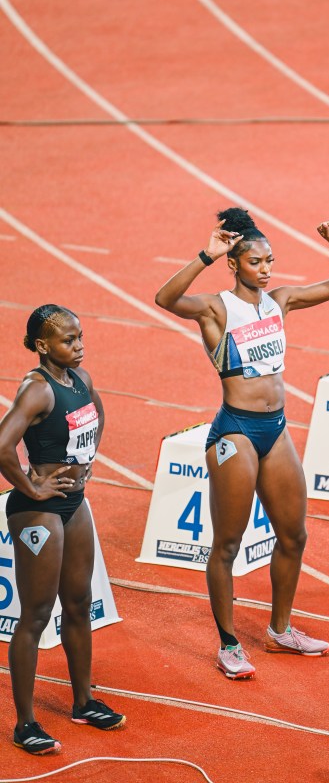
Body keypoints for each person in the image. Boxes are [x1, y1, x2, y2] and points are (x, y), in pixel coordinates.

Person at [155, 208, 329, 679]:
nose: (267, 269)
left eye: (270, 260)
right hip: (236, 431)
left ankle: (280, 630)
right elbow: (165, 298)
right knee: (227, 543)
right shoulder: (216, 308)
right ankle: (228, 644)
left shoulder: (279, 301)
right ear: (235, 263)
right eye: (256, 262)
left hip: (277, 429)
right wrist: (207, 253)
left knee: (294, 535)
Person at [0, 305, 125, 756]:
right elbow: (1, 444)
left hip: (74, 503)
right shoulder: (37, 390)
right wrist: (32, 488)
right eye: (69, 340)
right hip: (39, 513)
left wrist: (83, 468)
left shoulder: (83, 380)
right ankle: (25, 723)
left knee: (78, 603)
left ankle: (83, 701)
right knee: (35, 615)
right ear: (41, 346)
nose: (79, 345)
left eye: (80, 336)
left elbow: (97, 420)